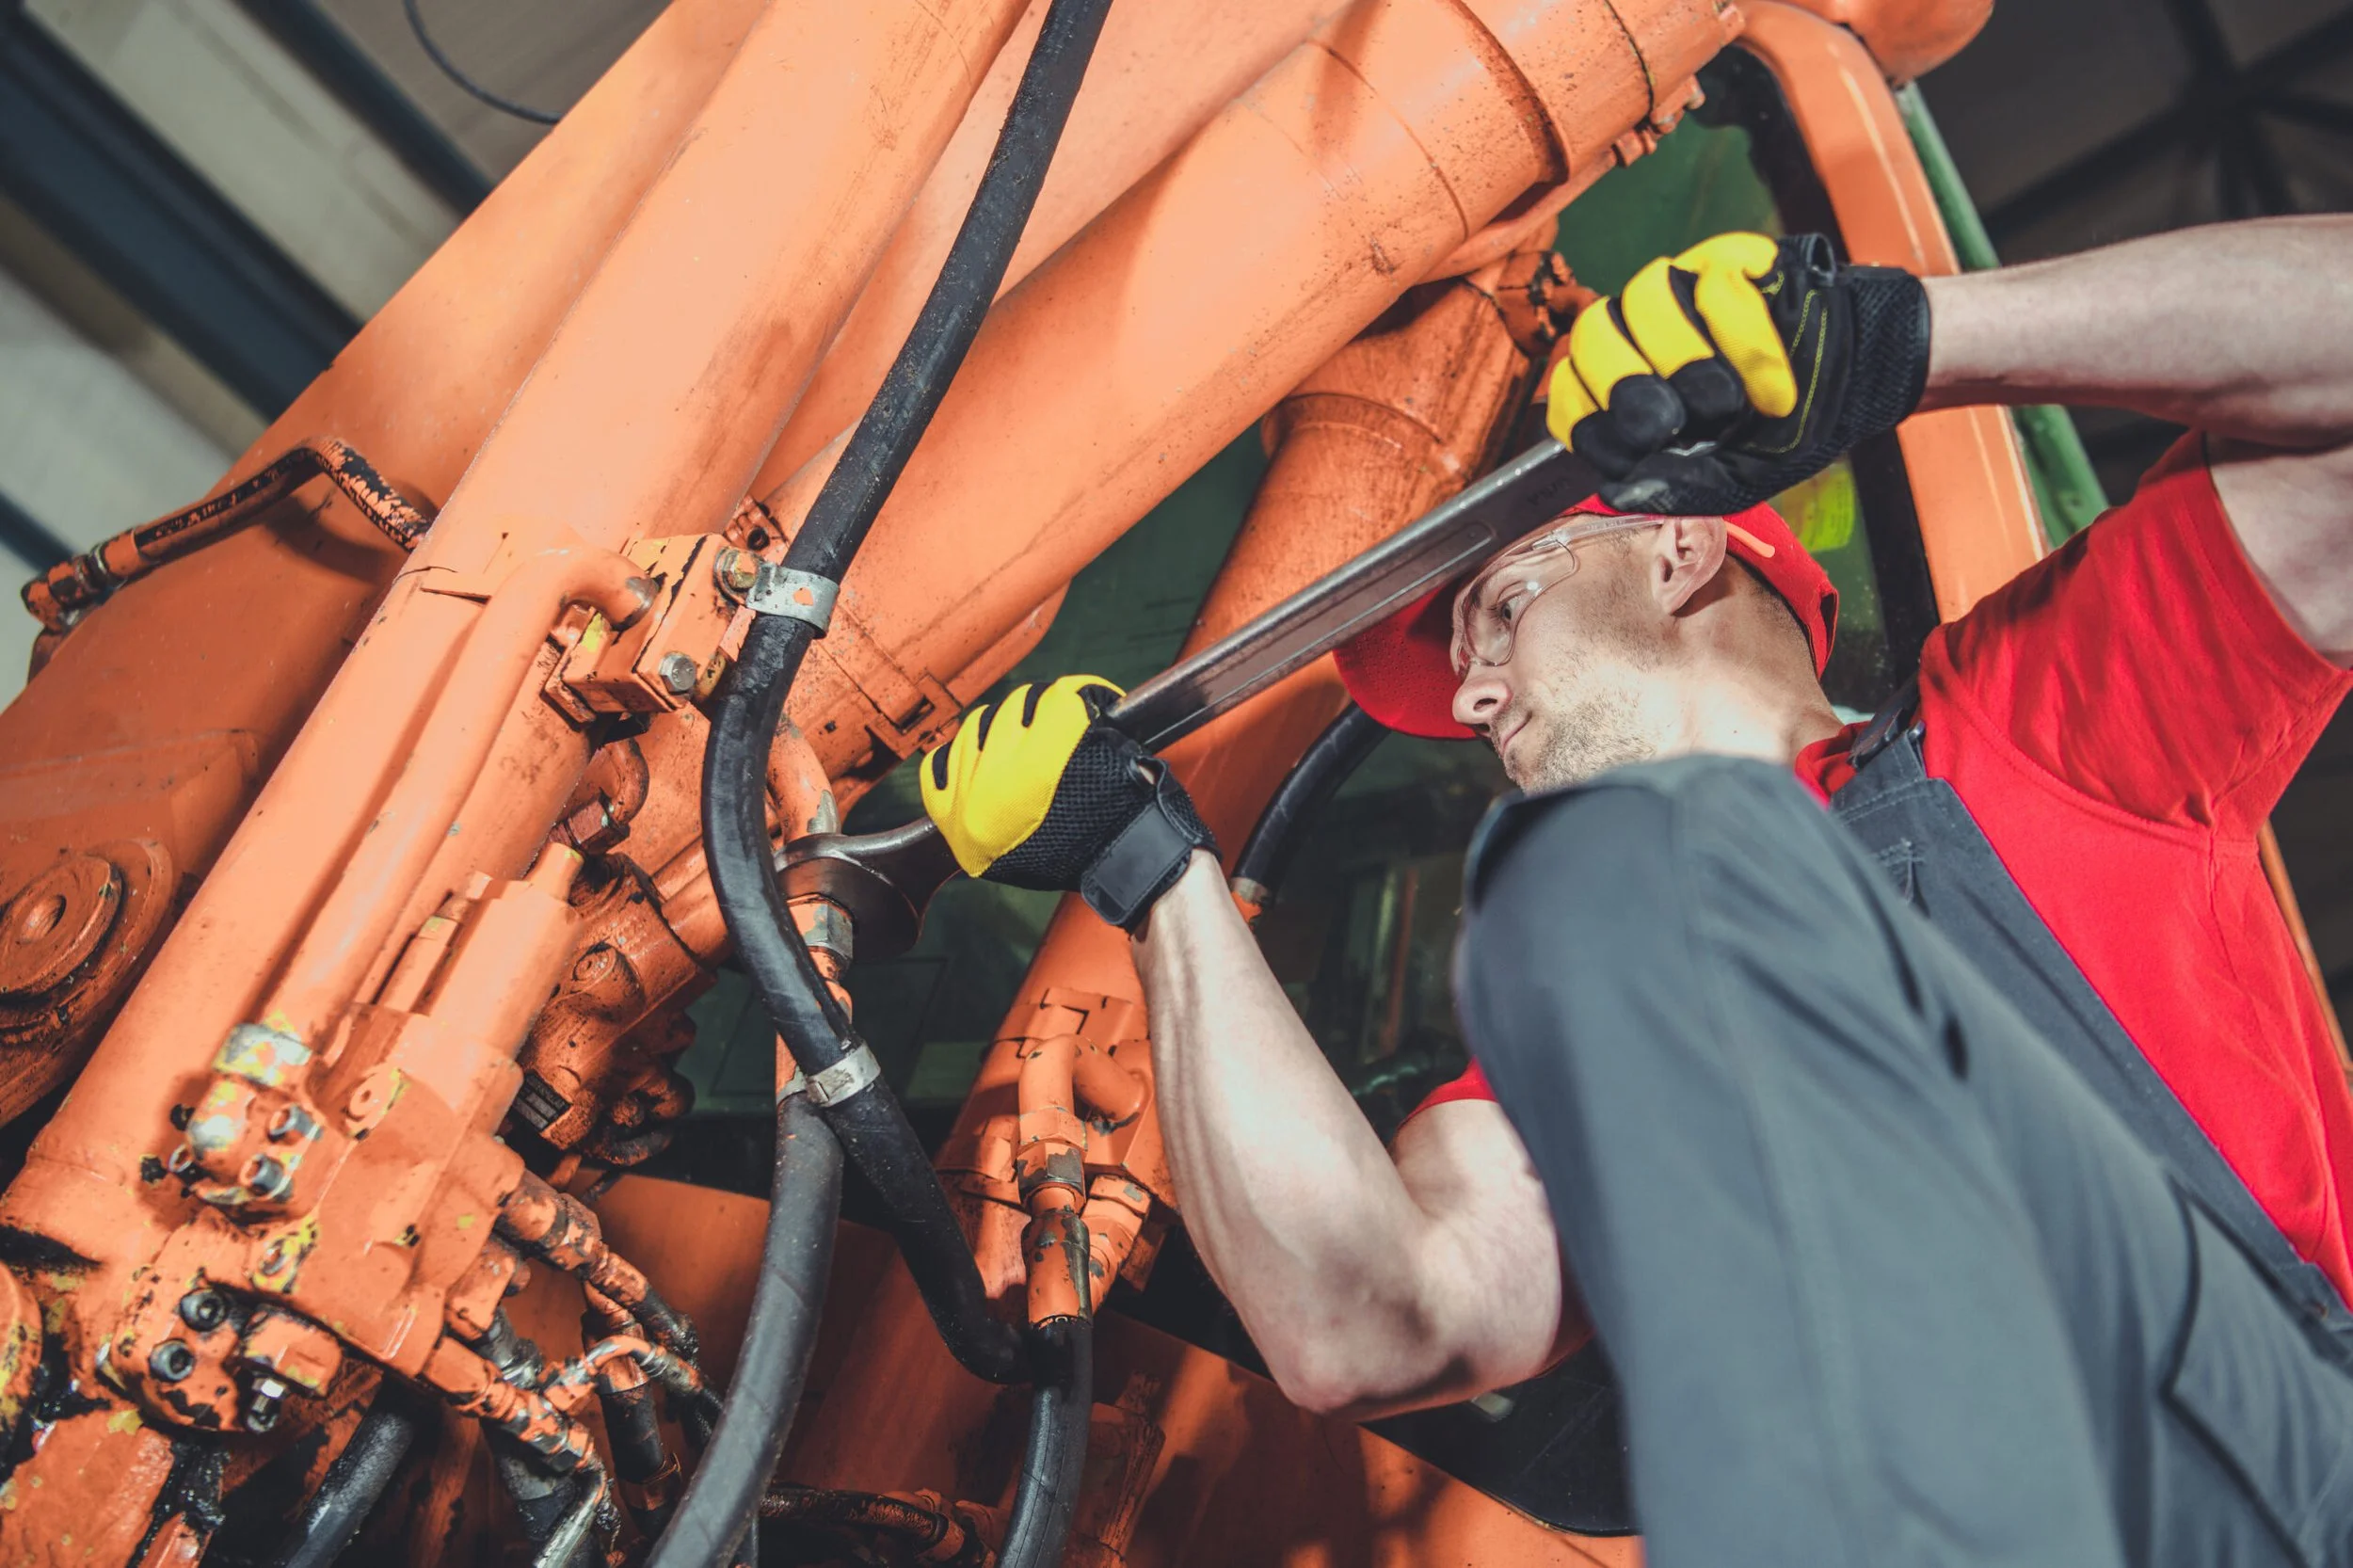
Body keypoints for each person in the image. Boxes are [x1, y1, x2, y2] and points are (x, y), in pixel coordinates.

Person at [918, 217, 2353, 1565]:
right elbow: (1362, 1318)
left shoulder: (2045, 731)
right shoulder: (1593, 1041)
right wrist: (1156, 878)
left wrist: (1900, 341)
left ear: (1678, 549)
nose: (1475, 691)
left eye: (1501, 604)